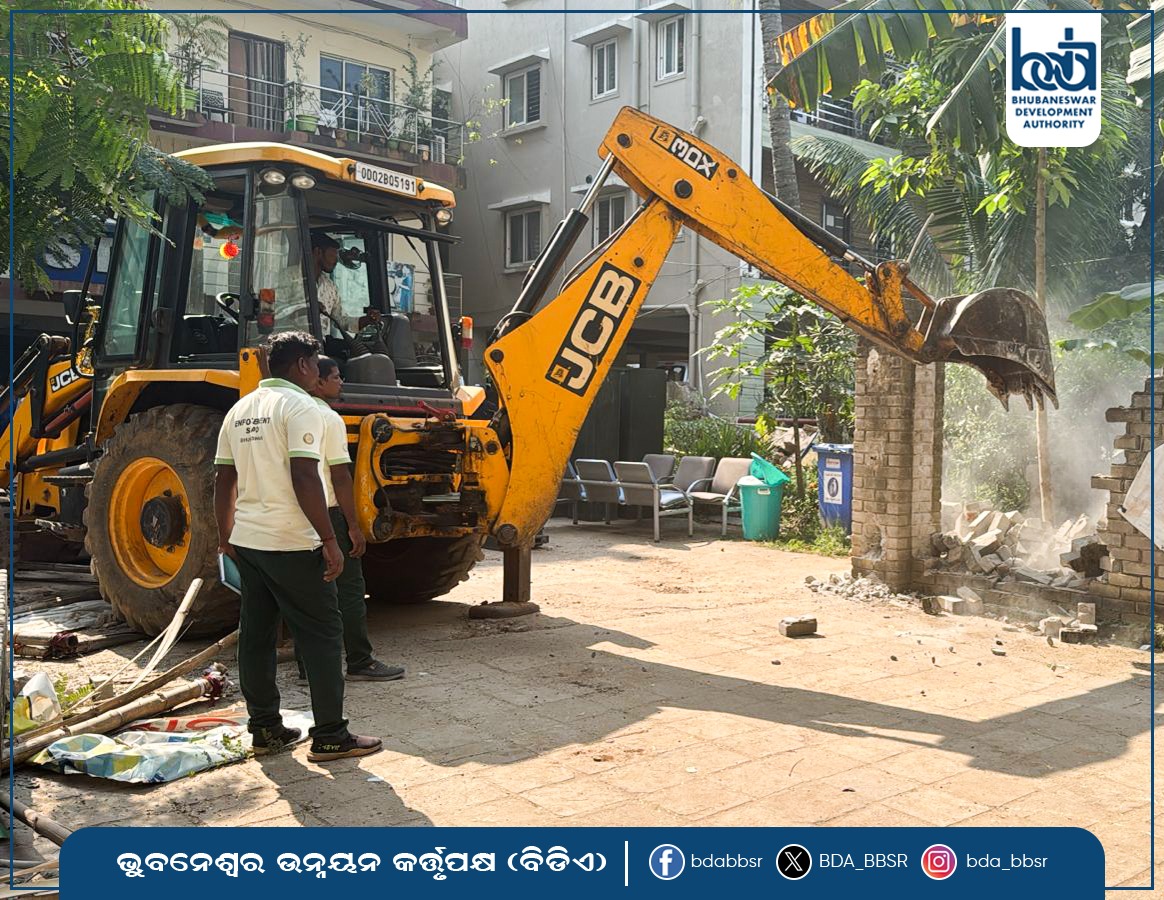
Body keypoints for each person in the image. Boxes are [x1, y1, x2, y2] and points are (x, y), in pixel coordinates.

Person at [213, 331, 382, 763]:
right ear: (304, 365)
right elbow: (306, 476)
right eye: (314, 362)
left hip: (248, 540)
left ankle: (265, 730)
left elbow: (223, 480)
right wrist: (330, 539)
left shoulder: (239, 410)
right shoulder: (303, 407)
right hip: (292, 540)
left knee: (256, 634)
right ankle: (330, 736)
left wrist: (224, 536)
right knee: (323, 635)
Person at [297, 356, 405, 683]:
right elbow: (340, 477)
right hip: (329, 512)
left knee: (308, 593)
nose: (341, 382)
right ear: (318, 381)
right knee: (349, 588)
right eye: (335, 376)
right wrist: (354, 526)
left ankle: (307, 666)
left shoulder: (289, 413)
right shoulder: (328, 418)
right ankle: (359, 659)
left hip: (299, 514)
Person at [311, 232, 354, 334]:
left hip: (321, 345)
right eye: (332, 254)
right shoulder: (287, 279)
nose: (336, 260)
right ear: (318, 252)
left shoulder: (331, 287)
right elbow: (274, 314)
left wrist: (365, 321)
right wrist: (305, 308)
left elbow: (340, 319)